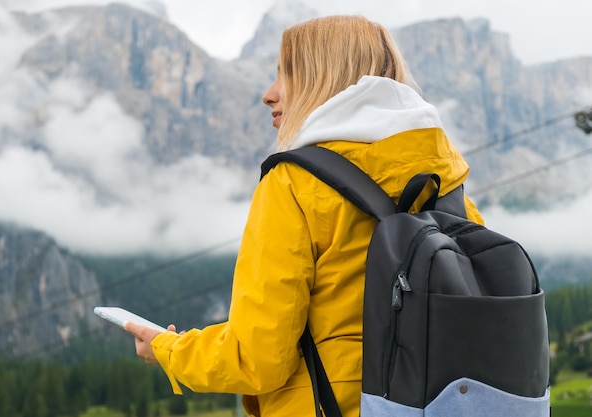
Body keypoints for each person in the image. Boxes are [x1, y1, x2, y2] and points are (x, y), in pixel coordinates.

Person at [125, 15, 484, 417]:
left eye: (286, 74)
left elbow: (257, 358)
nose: (269, 94)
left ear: (323, 80)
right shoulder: (449, 185)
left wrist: (168, 348)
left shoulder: (295, 183)